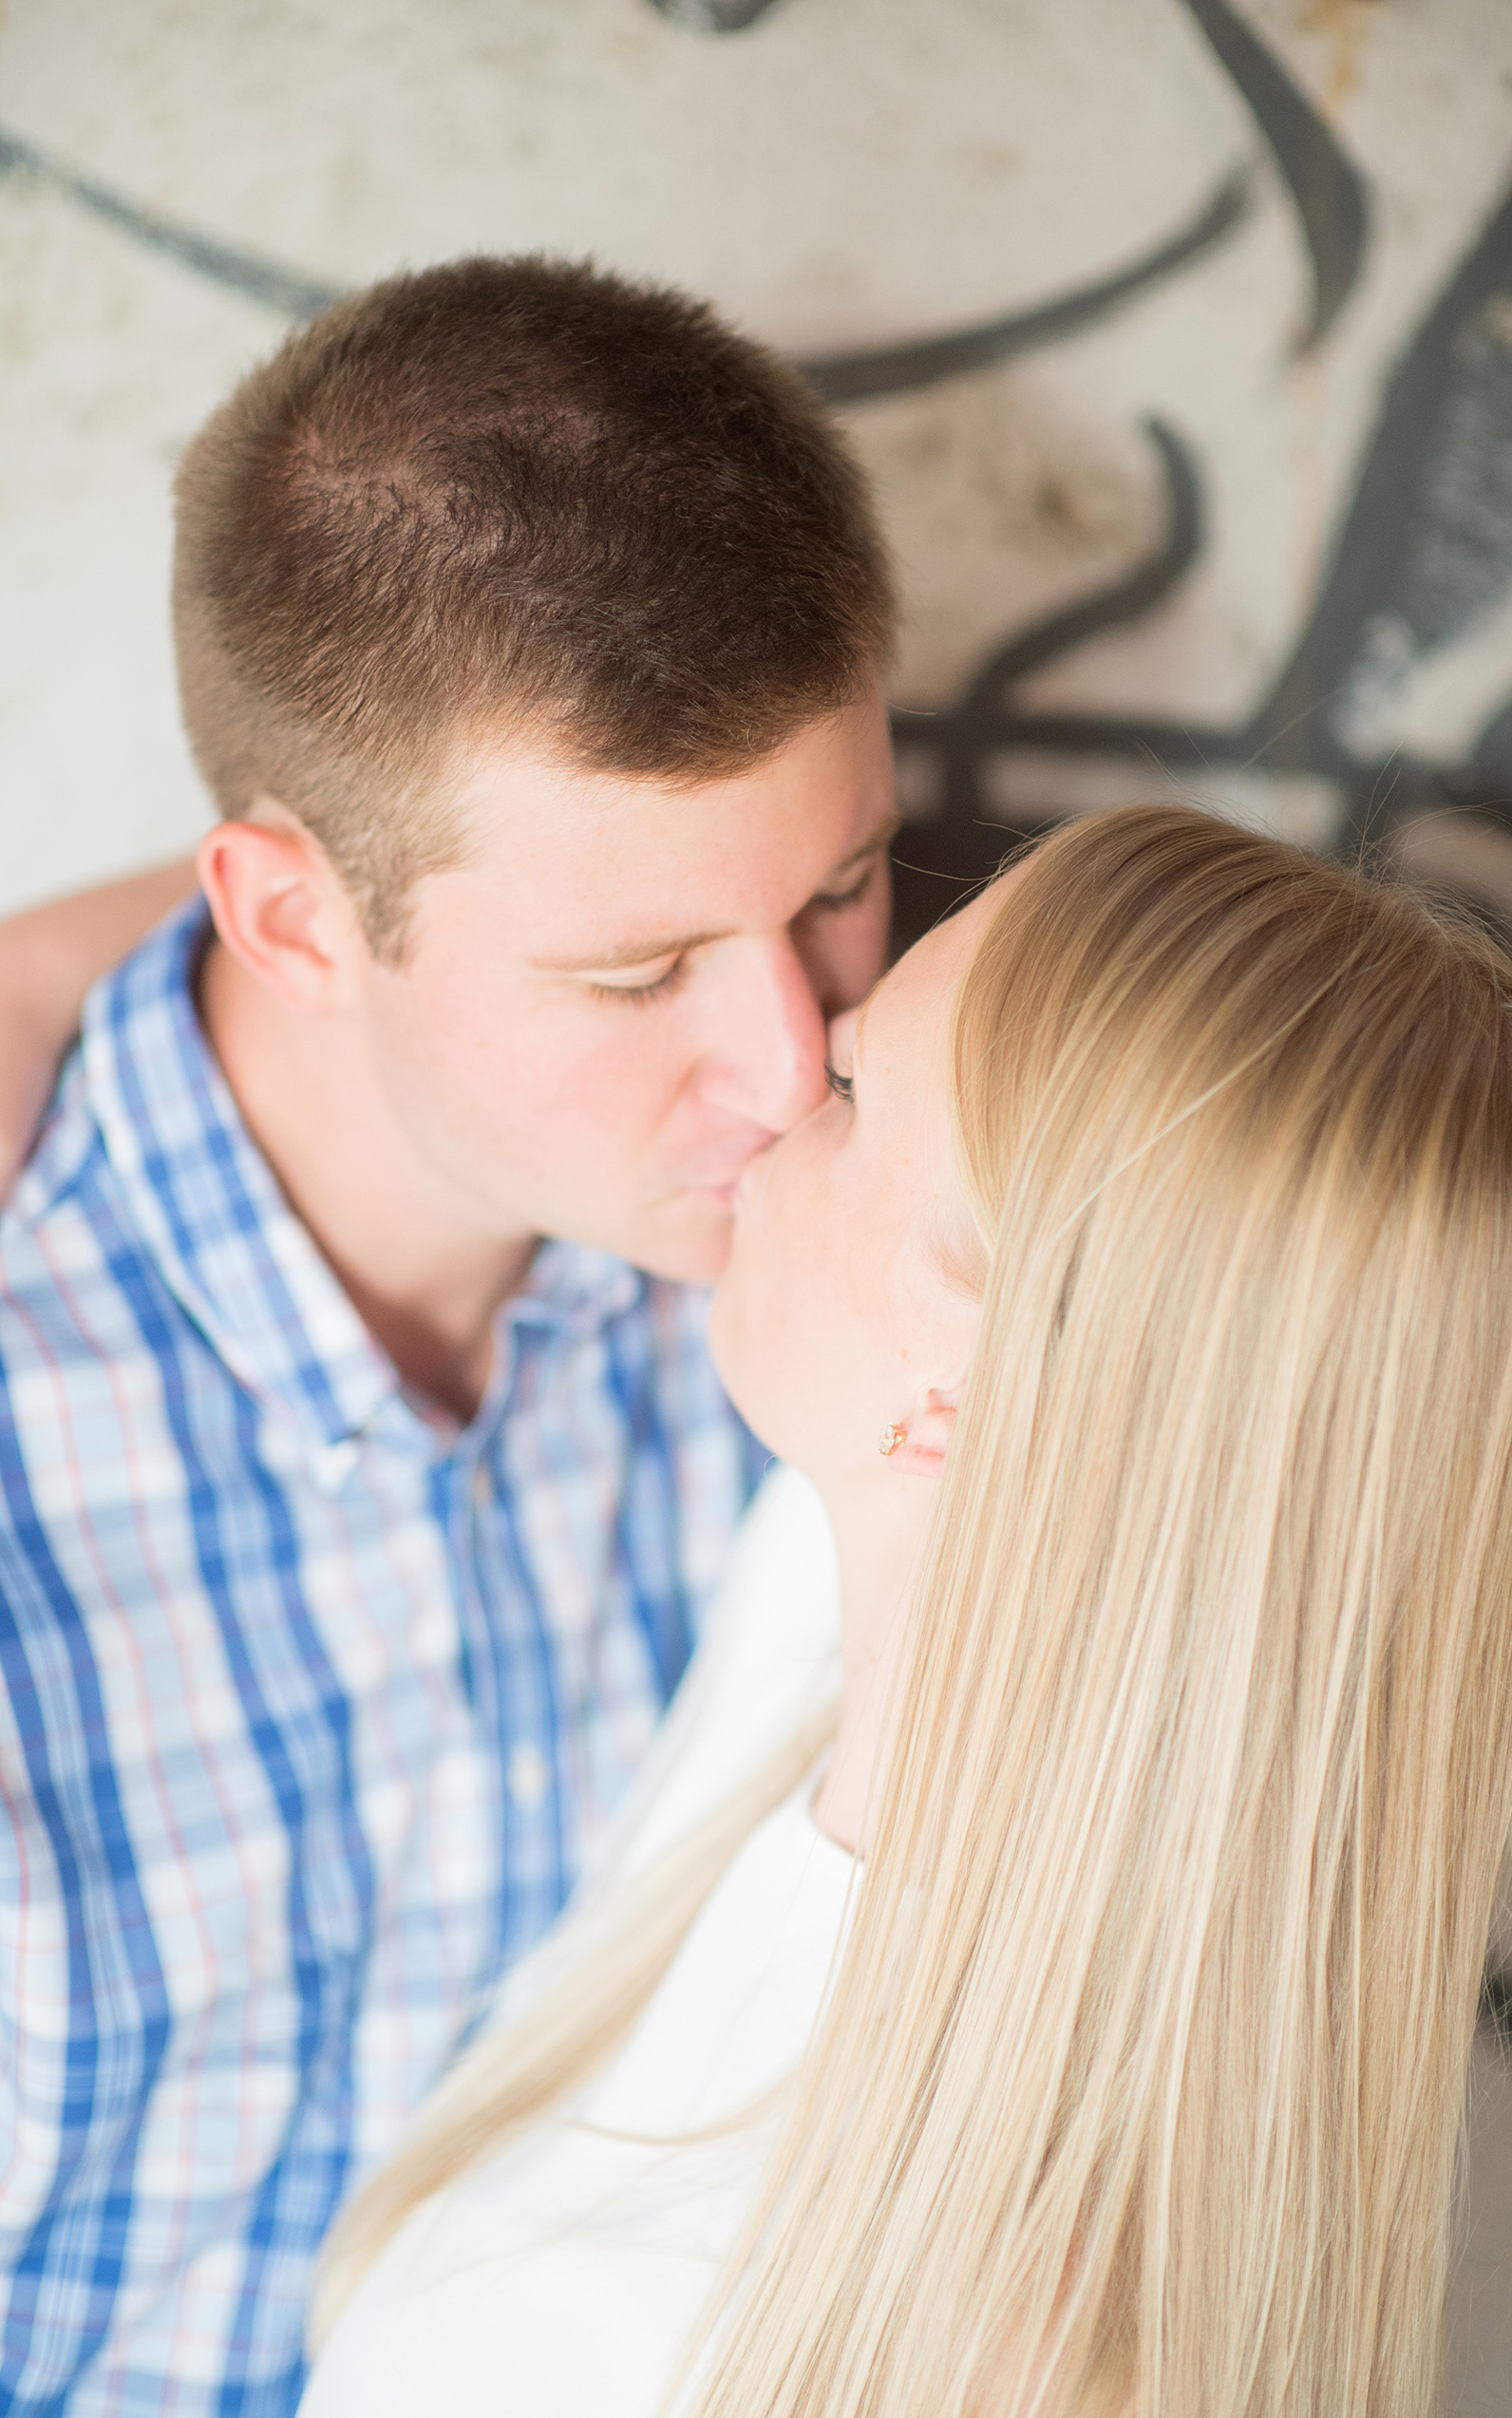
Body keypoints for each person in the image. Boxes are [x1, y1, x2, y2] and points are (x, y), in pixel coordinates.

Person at [297, 805, 1512, 2418]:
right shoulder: (842, 1593)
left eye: (849, 1092)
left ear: (977, 1393)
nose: (778, 1091)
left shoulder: (739, 2338)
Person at [0, 255, 898, 2414]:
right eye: (635, 974)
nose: (790, 1069)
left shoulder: (831, 1257)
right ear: (293, 917)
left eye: (843, 888)